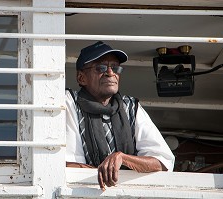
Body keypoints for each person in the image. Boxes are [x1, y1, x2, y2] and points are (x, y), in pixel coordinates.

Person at [65, 41, 175, 191]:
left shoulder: (130, 107)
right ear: (81, 78)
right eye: (101, 67)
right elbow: (67, 165)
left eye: (116, 68)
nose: (111, 73)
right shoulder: (69, 103)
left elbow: (164, 162)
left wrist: (122, 158)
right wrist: (106, 171)